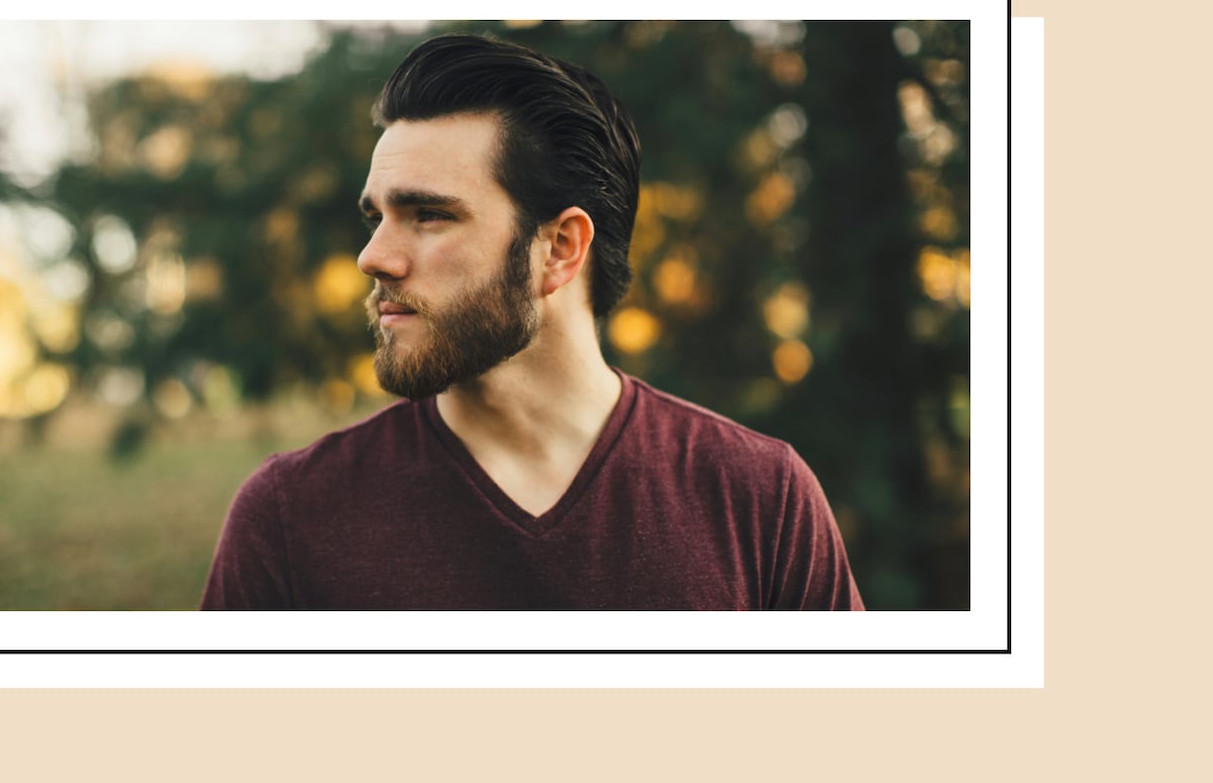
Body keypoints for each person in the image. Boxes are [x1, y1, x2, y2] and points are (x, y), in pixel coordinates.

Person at [201, 33, 863, 610]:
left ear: (560, 249)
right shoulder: (292, 517)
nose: (373, 257)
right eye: (377, 217)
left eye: (429, 215)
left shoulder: (759, 500)